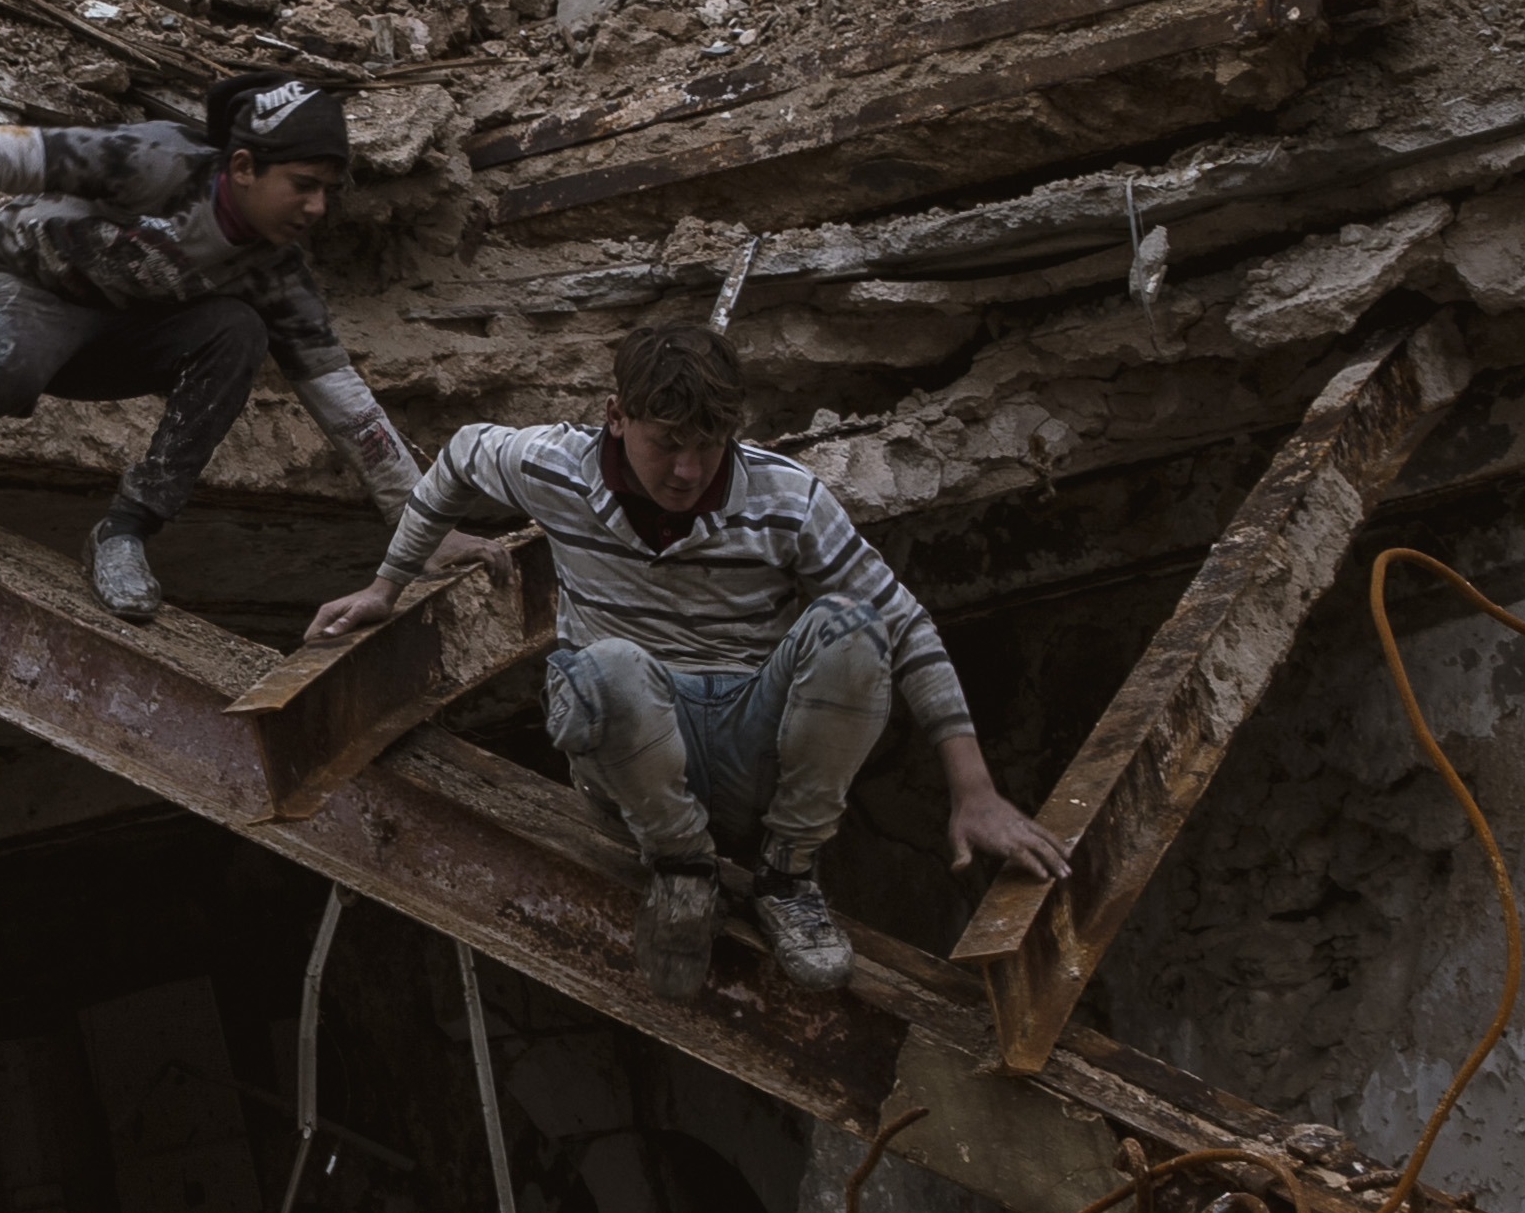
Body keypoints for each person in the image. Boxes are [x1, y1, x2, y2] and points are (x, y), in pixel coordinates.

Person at [302, 322, 1072, 1000]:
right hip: (634, 768)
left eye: (708, 446)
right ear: (617, 415)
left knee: (855, 626)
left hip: (750, 746)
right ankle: (681, 872)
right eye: (666, 442)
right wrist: (386, 585)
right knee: (600, 668)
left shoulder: (787, 499)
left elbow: (907, 626)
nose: (686, 469)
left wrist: (973, 789)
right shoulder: (552, 465)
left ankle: (788, 874)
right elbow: (459, 461)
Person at [0, 75, 420, 622]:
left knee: (239, 330)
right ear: (243, 167)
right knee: (6, 368)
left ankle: (123, 531)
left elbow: (342, 397)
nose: (318, 208)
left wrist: (419, 523)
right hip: (19, 284)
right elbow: (7, 150)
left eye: (328, 191)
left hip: (114, 335)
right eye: (303, 185)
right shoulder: (158, 162)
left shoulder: (275, 273)